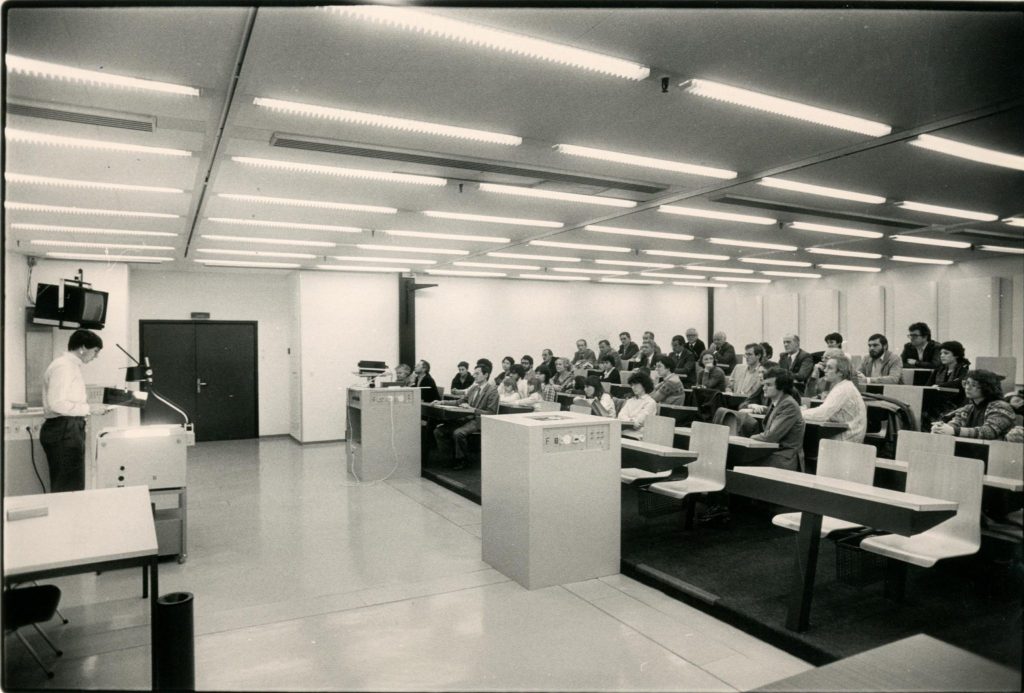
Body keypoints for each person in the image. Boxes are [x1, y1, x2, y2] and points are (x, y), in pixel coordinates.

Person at [41, 329, 108, 493]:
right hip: (64, 430)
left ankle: (70, 517)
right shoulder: (63, 367)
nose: (95, 356)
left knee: (72, 484)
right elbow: (57, 403)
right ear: (83, 347)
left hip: (68, 429)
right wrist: (90, 409)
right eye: (95, 352)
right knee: (68, 487)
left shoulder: (70, 366)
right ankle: (67, 518)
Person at [433, 363, 498, 470]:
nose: (474, 375)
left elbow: (492, 413)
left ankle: (461, 460)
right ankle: (449, 458)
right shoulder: (473, 388)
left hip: (478, 420)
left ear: (486, 375)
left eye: (477, 373)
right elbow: (459, 401)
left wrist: (473, 410)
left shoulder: (492, 391)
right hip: (466, 418)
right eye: (474, 373)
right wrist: (441, 402)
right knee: (438, 431)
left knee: (458, 433)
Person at [932, 370, 1015, 440]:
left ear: (987, 388)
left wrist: (954, 430)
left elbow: (989, 432)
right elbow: (955, 423)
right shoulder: (968, 408)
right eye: (966, 383)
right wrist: (941, 428)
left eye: (974, 385)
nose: (967, 387)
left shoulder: (1001, 406)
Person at [801, 354, 867, 443]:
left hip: (847, 439)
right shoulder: (842, 386)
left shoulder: (843, 389)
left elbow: (822, 414)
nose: (825, 370)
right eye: (825, 367)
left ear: (840, 372)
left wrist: (798, 413)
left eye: (830, 368)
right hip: (844, 435)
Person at [750, 368, 806, 471]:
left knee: (740, 463)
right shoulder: (778, 402)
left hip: (784, 458)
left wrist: (750, 437)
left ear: (781, 387)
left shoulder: (789, 404)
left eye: (769, 385)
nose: (764, 388)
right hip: (775, 453)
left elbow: (770, 437)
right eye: (764, 385)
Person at [618, 371, 658, 437]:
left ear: (644, 385)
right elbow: (620, 416)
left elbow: (639, 421)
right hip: (623, 433)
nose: (633, 387)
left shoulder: (650, 402)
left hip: (638, 435)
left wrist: (627, 421)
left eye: (636, 384)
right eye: (632, 385)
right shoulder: (630, 401)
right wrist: (631, 421)